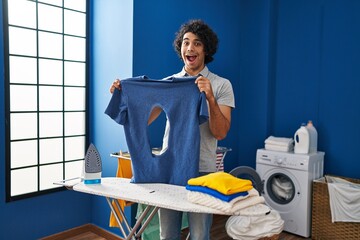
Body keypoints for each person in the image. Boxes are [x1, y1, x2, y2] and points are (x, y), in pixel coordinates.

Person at [109, 19, 235, 240]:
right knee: (167, 234)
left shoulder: (221, 85)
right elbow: (143, 120)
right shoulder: (170, 83)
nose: (190, 48)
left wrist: (210, 98)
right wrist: (123, 96)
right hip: (169, 169)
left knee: (199, 235)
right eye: (186, 43)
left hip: (203, 171)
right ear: (181, 48)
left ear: (206, 49)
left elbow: (221, 132)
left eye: (197, 43)